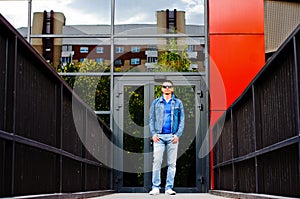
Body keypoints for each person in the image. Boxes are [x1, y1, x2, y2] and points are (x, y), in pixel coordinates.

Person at [148, 80, 185, 195]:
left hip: (172, 137)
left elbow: (182, 120)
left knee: (172, 163)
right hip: (159, 136)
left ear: (172, 88)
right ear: (162, 89)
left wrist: (177, 135)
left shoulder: (178, 103)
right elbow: (151, 119)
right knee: (157, 162)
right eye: (165, 86)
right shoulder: (156, 102)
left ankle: (169, 188)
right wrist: (153, 134)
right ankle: (155, 187)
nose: (167, 88)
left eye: (169, 86)